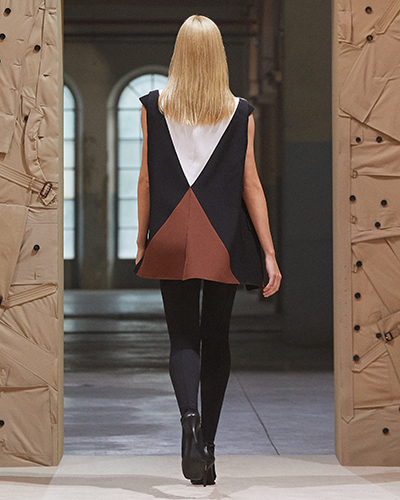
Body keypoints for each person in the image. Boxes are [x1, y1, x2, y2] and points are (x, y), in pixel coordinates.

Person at [135, 14, 281, 486]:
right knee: (216, 338)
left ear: (179, 54)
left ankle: (189, 423)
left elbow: (146, 179)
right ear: (218, 56)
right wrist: (268, 252)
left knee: (182, 337)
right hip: (223, 236)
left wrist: (141, 237)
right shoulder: (240, 112)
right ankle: (209, 451)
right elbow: (251, 184)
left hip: (170, 231)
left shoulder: (154, 106)